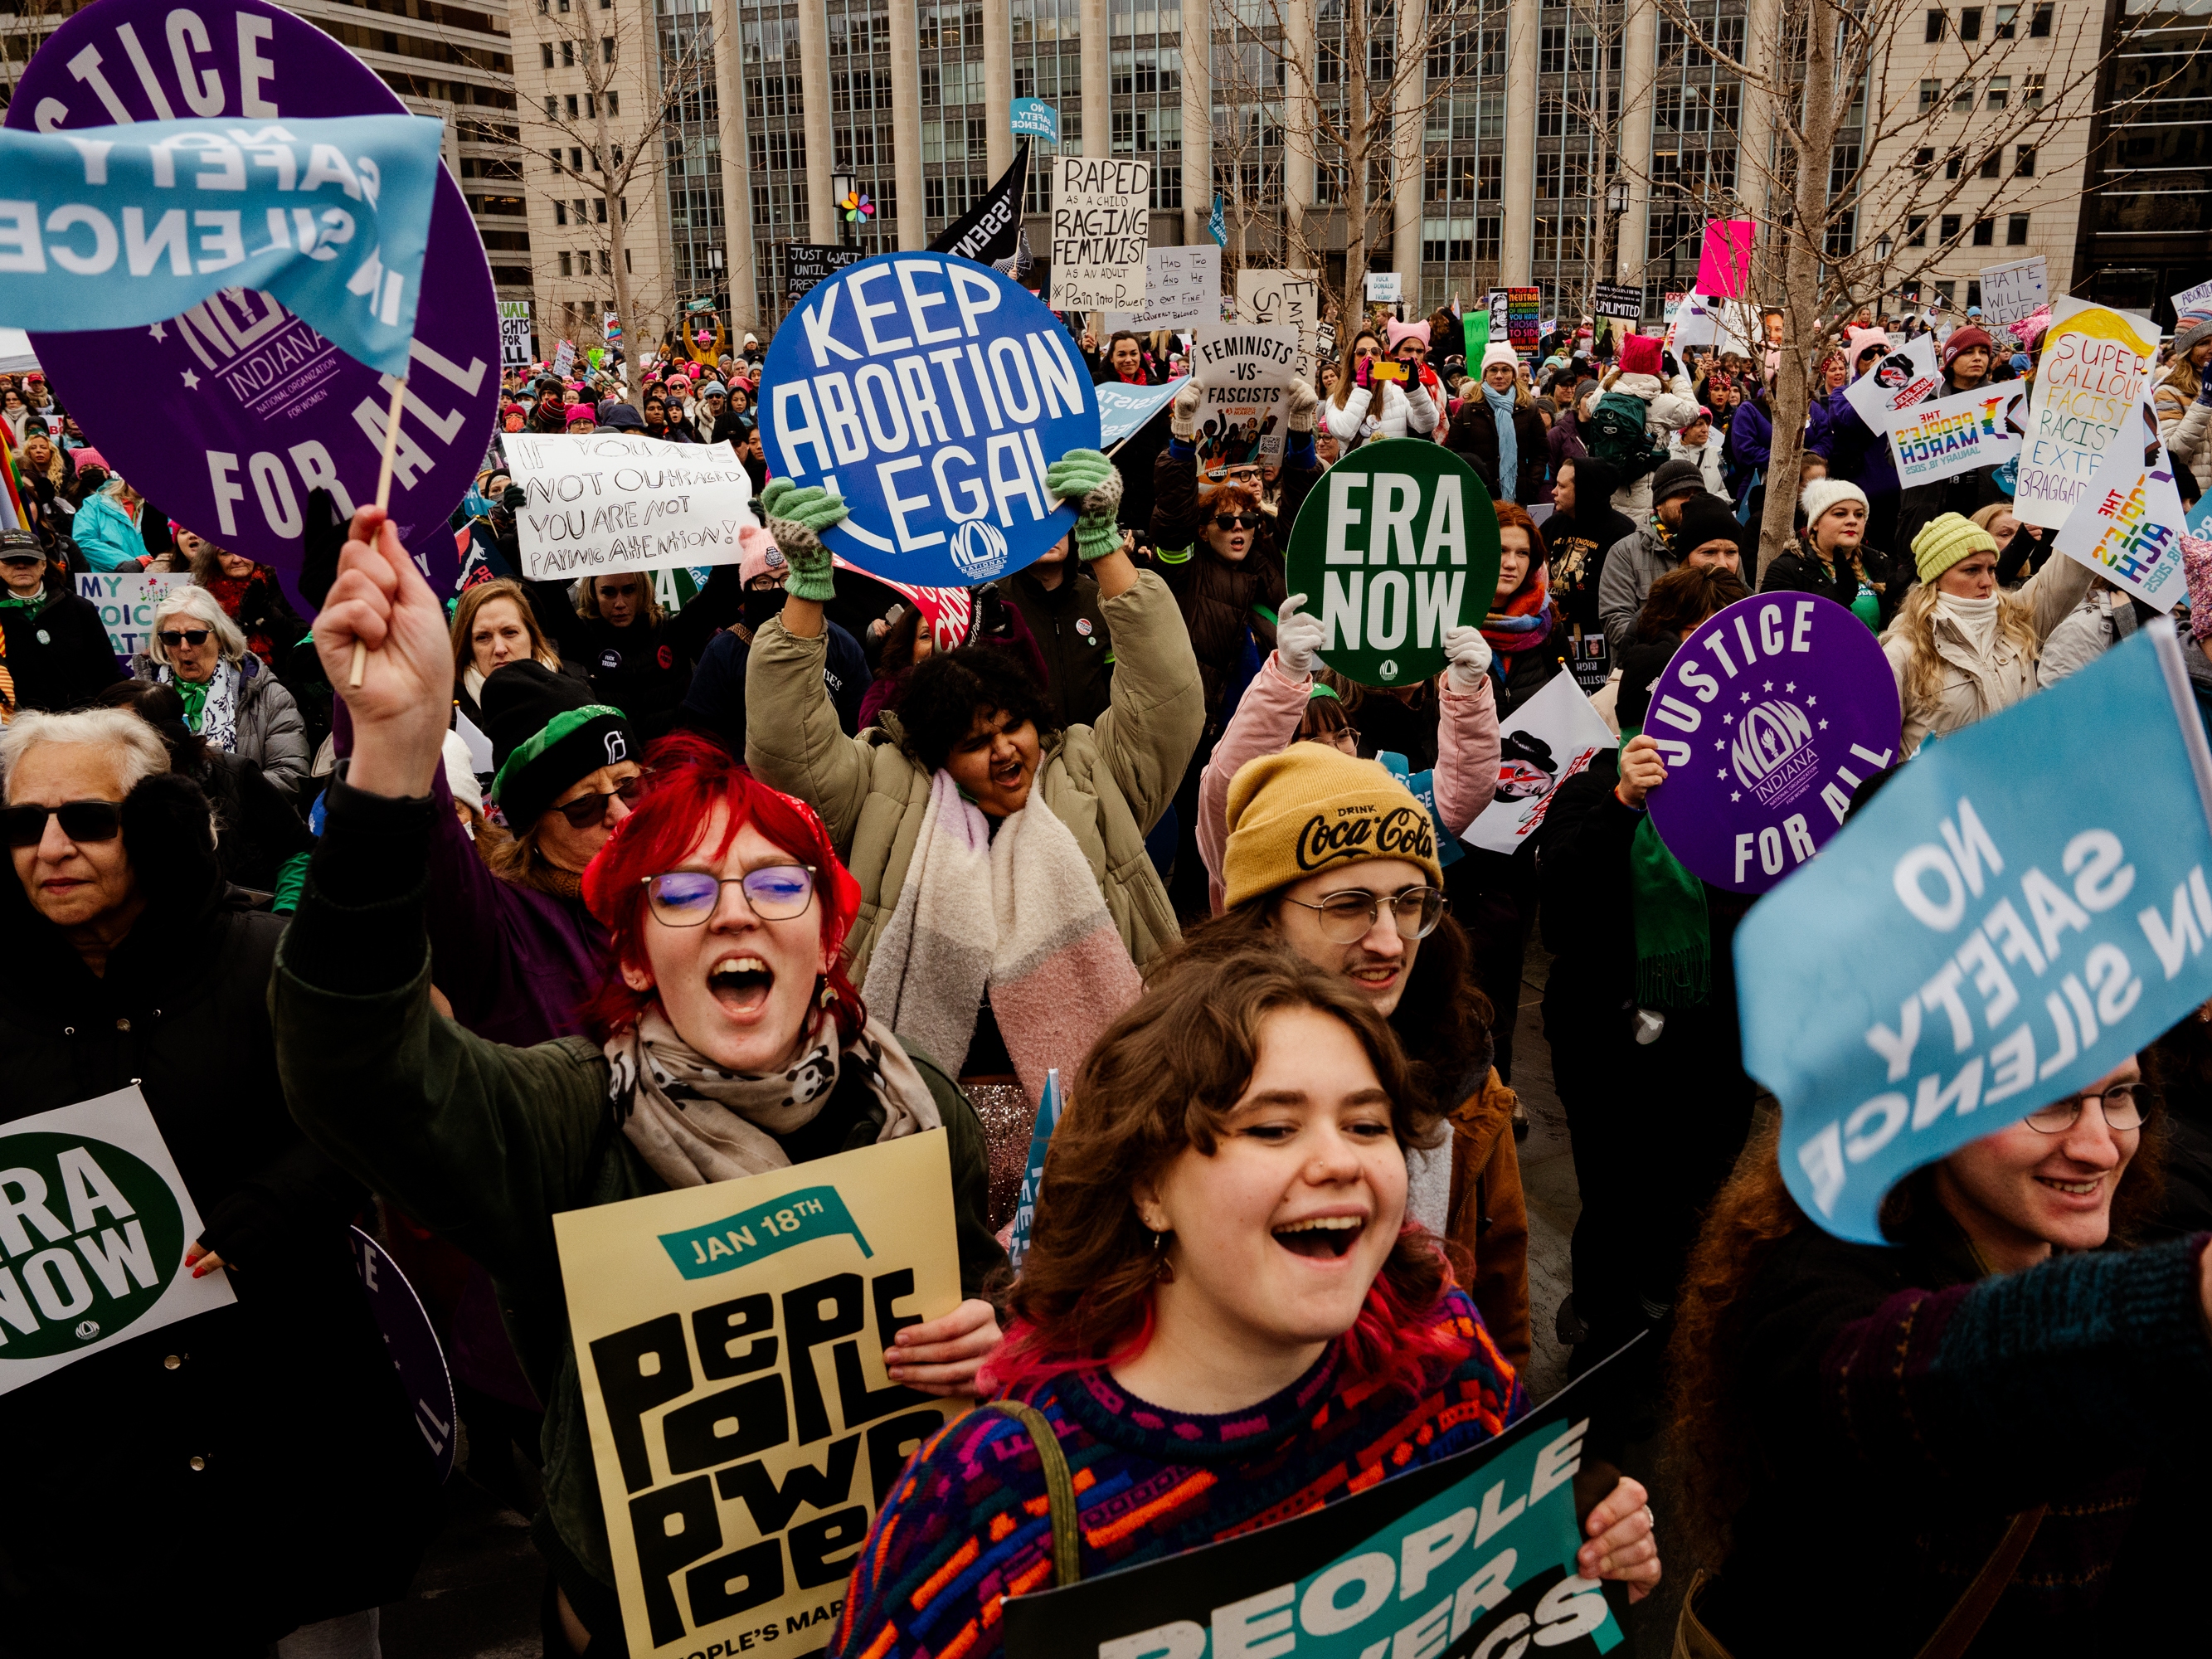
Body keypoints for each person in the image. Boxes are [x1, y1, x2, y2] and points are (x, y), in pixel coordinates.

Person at [275, 508, 1005, 1654]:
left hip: (896, 1605)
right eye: (679, 893)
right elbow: (353, 1071)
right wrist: (390, 759)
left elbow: (993, 1295)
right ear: (629, 952)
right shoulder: (566, 1115)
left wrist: (993, 1336)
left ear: (826, 933)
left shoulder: (924, 1109)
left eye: (774, 886)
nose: (729, 910)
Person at [829, 944, 1660, 1659]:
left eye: (1368, 1126)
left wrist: (1585, 1546)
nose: (1339, 1161)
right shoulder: (995, 1498)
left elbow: (1524, 1592)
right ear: (1151, 1186)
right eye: (1272, 1127)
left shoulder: (1449, 1367)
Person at [0, 706, 436, 1652]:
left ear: (157, 822)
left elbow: (388, 1110)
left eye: (87, 818)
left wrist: (289, 1198)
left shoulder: (269, 959)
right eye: (23, 824)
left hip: (289, 1443)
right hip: (94, 1498)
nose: (51, 846)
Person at [1668, 1063, 2209, 1657]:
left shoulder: (2117, 1259)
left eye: (2119, 1096)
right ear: (1928, 1104)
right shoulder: (1814, 1277)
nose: (2098, 1146)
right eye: (2047, 1099)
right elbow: (1883, 1397)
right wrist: (2178, 1301)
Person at [743, 453, 1203, 997]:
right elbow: (785, 746)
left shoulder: (1088, 768)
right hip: (915, 1071)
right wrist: (807, 583)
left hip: (1107, 1066)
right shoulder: (878, 784)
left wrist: (1101, 544)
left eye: (1013, 726)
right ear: (936, 752)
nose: (1006, 750)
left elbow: (1163, 697)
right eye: (976, 742)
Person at [1539, 568, 1757, 1411]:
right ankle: (1605, 1326)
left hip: (1715, 1044)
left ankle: (1664, 1324)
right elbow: (1564, 905)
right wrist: (1627, 804)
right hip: (1609, 1042)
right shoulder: (1598, 784)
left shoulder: (1749, 801)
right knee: (1617, 1196)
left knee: (1692, 1197)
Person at [1881, 512, 2093, 756]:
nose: (1987, 581)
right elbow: (1876, 753)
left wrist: (2104, 500)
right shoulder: (1902, 651)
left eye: (1991, 569)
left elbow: (2071, 571)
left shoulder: (2017, 621)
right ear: (1936, 578)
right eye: (1971, 570)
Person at [96, 679, 314, 904]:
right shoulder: (92, 788)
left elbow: (298, 851)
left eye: (124, 734)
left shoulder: (234, 774)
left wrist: (283, 916)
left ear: (165, 736)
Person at [677, 533, 871, 757]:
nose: (777, 590)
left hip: (830, 778)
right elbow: (702, 736)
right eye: (764, 582)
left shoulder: (839, 643)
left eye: (786, 579)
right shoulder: (724, 651)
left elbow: (862, 723)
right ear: (747, 588)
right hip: (753, 785)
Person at [132, 585, 309, 799]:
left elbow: (291, 776)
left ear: (220, 637)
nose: (184, 647)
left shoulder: (267, 695)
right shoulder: (137, 695)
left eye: (195, 636)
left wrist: (217, 787)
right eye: (171, 638)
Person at [1895, 325, 2009, 551]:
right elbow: (1894, 456)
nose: (1978, 358)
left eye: (1983, 352)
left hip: (1983, 515)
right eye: (1968, 352)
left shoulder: (2003, 400)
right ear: (1951, 359)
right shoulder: (1924, 399)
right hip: (1929, 516)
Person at [992, 531, 1116, 730]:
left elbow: (1114, 677)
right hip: (1034, 748)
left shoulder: (1097, 597)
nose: (1052, 534)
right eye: (1040, 527)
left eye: (1060, 526)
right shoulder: (996, 605)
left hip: (1096, 744)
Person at [1595, 456, 1716, 653]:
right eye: (1682, 494)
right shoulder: (1625, 552)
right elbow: (1616, 623)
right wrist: (1675, 648)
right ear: (1659, 503)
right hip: (1647, 669)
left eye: (1697, 495)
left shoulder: (1720, 549)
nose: (1690, 503)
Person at [0, 528, 123, 714]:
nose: (21, 566)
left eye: (30, 559)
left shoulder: (80, 608)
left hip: (81, 721)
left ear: (43, 565)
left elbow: (107, 673)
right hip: (17, 725)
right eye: (10, 560)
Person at [449, 574, 589, 734]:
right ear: (468, 647)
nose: (500, 649)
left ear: (532, 637)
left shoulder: (577, 690)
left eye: (510, 633)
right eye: (483, 637)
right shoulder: (446, 718)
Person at [1762, 478, 1905, 630]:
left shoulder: (1881, 564)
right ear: (1816, 523)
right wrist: (1839, 594)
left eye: (1859, 515)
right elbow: (1777, 632)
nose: (1852, 521)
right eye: (1840, 514)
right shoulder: (1785, 569)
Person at [1544, 457, 1634, 692]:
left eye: (1562, 486)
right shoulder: (1551, 527)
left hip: (1602, 645)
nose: (1554, 492)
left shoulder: (1622, 532)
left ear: (1584, 490)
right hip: (1556, 641)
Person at [181, 531, 309, 671]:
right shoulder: (205, 595)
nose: (236, 559)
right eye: (226, 553)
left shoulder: (282, 585)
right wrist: (243, 620)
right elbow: (206, 647)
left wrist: (268, 612)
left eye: (244, 551)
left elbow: (303, 641)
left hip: (286, 679)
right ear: (213, 559)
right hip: (230, 678)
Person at [1451, 343, 1550, 505]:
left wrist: (1531, 484)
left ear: (1513, 374)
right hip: (1477, 495)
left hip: (1517, 496)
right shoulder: (1468, 410)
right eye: (1493, 370)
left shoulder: (1528, 409)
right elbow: (1454, 453)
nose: (1499, 375)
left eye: (1505, 369)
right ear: (1485, 374)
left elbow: (1540, 452)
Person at [1324, 327, 1441, 449]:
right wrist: (1363, 390)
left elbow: (1428, 424)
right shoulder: (1336, 398)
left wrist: (1415, 390)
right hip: (1356, 467)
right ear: (1352, 363)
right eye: (1361, 352)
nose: (1369, 357)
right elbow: (1343, 432)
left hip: (1392, 466)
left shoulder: (1398, 393)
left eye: (1375, 351)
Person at [70, 474, 153, 572]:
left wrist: (144, 563)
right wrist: (127, 564)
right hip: (109, 582)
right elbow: (84, 540)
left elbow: (173, 549)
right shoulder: (94, 504)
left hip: (157, 581)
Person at [1669, 406, 1728, 496]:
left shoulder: (1719, 454)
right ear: (1685, 429)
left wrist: (1707, 501)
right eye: (1699, 424)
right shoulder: (1669, 455)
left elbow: (1731, 490)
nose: (1705, 430)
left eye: (1707, 424)